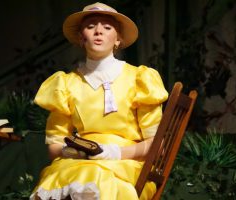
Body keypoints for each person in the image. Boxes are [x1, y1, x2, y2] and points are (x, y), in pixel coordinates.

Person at [30, 2, 168, 200]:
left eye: (107, 27)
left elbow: (157, 146)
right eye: (91, 25)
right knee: (74, 177)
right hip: (77, 164)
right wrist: (76, 152)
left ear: (118, 39)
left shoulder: (139, 79)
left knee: (97, 176)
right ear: (80, 37)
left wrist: (114, 152)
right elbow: (54, 145)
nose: (98, 31)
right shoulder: (66, 84)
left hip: (126, 166)